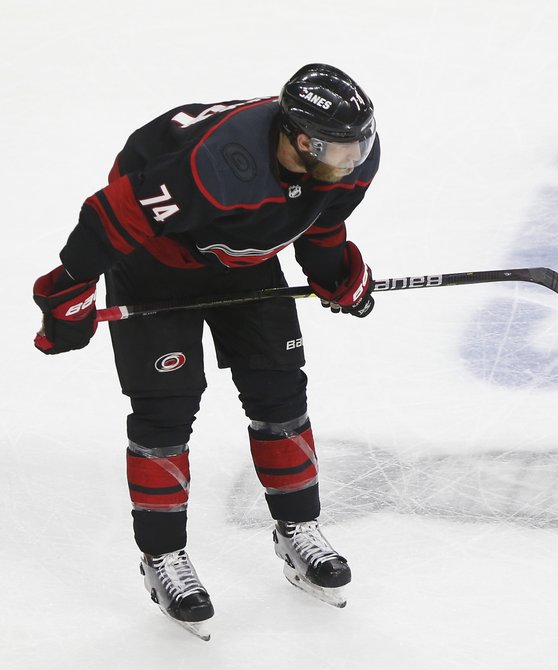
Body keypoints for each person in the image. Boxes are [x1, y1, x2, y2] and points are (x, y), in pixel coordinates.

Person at [31, 63, 380, 637]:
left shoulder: (348, 157)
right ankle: (163, 557)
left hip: (243, 258)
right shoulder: (216, 165)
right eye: (335, 149)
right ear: (295, 136)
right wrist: (67, 290)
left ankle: (298, 529)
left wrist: (337, 275)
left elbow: (319, 222)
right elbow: (108, 218)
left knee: (279, 390)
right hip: (156, 264)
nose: (351, 161)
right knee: (166, 408)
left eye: (357, 146)